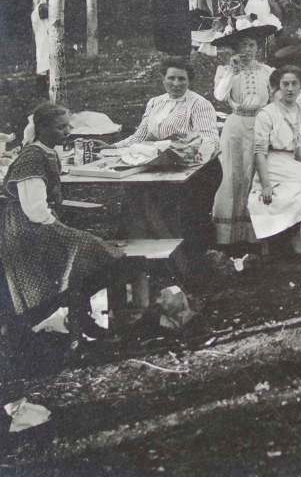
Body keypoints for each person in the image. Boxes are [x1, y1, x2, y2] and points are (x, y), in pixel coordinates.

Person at [1, 103, 122, 343]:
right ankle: (74, 316)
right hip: (26, 228)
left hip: (38, 223)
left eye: (68, 126)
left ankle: (80, 314)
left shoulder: (47, 151)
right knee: (92, 249)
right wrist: (58, 227)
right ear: (42, 128)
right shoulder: (32, 158)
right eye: (60, 127)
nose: (67, 132)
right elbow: (34, 209)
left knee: (96, 250)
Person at [109, 58, 221, 245]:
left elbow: (210, 138)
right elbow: (140, 136)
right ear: (163, 78)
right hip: (161, 165)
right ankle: (142, 247)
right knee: (137, 198)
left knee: (182, 214)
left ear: (189, 81)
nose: (176, 84)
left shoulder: (199, 104)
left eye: (182, 79)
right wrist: (112, 148)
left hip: (197, 170)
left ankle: (187, 252)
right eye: (171, 78)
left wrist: (193, 156)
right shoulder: (155, 103)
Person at [246, 66, 301, 251]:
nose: (290, 88)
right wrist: (266, 185)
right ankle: (293, 239)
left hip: (294, 164)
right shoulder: (267, 114)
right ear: (279, 86)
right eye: (286, 84)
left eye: (295, 84)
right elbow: (260, 152)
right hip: (273, 164)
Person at [211, 28, 274, 248]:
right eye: (243, 45)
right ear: (235, 49)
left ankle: (256, 233)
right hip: (236, 123)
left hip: (261, 123)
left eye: (252, 45)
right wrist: (232, 72)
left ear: (258, 48)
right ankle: (229, 236)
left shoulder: (267, 71)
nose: (247, 50)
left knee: (255, 172)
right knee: (232, 173)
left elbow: (277, 96)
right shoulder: (225, 70)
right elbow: (219, 96)